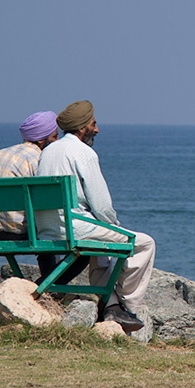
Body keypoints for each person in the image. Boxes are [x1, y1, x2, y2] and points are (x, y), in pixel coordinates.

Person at [35, 100, 156, 332]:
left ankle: (109, 304)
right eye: (93, 123)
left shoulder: (48, 151)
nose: (97, 129)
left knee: (100, 245)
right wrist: (115, 227)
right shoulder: (84, 153)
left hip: (47, 229)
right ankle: (127, 306)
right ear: (82, 128)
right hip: (74, 228)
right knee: (145, 244)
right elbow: (102, 206)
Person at [0, 111, 60, 239]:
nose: (58, 141)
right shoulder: (39, 159)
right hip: (26, 233)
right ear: (42, 139)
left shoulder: (1, 153)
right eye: (55, 136)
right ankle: (50, 260)